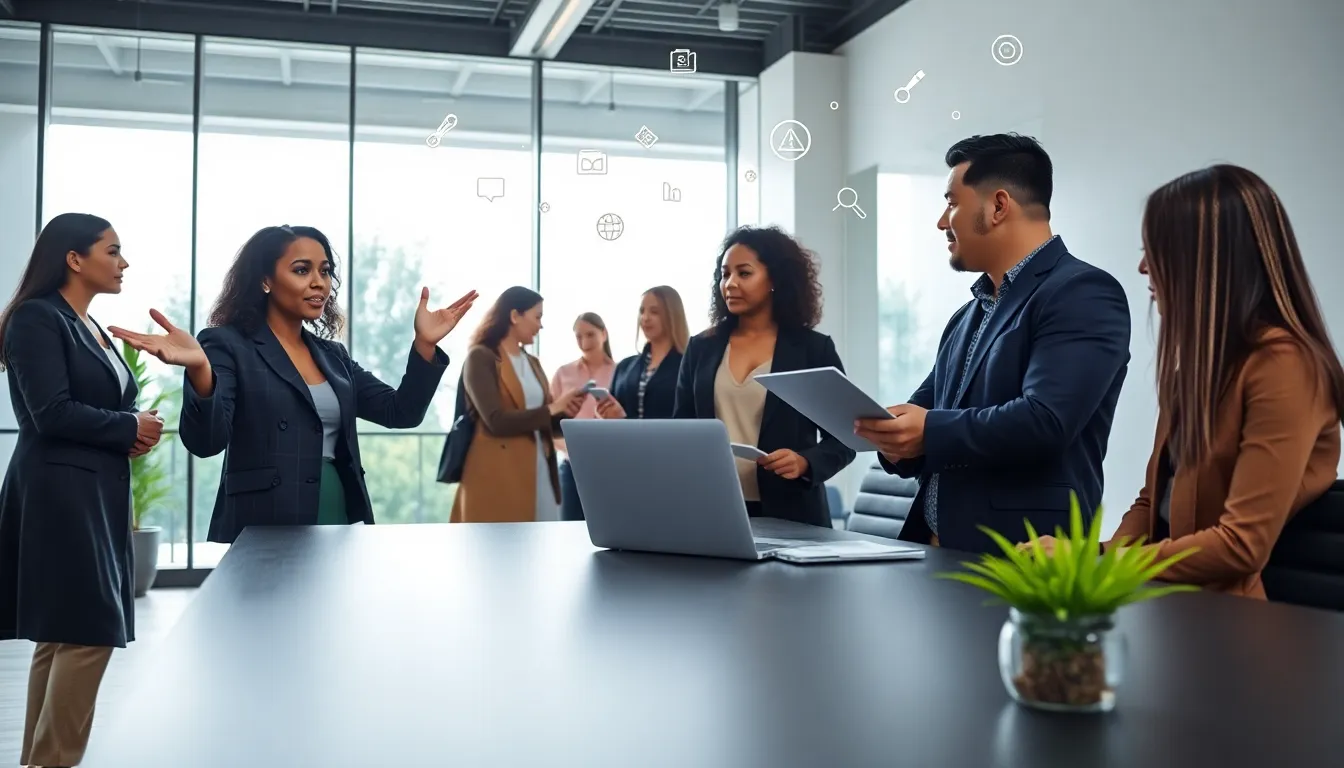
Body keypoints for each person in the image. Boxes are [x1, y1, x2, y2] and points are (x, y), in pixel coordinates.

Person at [1036, 165, 1344, 598]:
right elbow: (1152, 502)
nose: (1143, 267)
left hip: (1230, 618)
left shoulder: (1285, 366)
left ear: (1207, 261)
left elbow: (1241, 545)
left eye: (1156, 251)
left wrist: (1104, 563)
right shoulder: (1196, 369)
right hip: (1172, 604)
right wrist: (1092, 557)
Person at [110, 225, 475, 543]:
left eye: (325, 271)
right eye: (302, 270)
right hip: (265, 516)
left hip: (338, 508)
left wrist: (425, 346)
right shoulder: (227, 344)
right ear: (265, 281)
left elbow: (401, 412)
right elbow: (206, 443)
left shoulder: (333, 356)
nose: (319, 282)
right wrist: (201, 370)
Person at [855, 133, 1131, 553]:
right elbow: (929, 412)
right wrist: (895, 442)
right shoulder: (969, 314)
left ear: (999, 206)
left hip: (1021, 560)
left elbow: (1046, 420)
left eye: (952, 203)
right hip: (937, 553)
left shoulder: (1083, 292)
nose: (942, 221)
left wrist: (927, 431)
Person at [0, 213, 165, 768]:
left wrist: (134, 433)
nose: (123, 263)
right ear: (74, 259)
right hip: (60, 496)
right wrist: (127, 426)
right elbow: (50, 412)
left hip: (96, 493)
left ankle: (39, 763)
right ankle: (55, 762)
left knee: (63, 636)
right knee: (88, 631)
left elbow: (97, 410)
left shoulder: (89, 325)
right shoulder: (37, 318)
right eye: (112, 251)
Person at [672, 227, 856, 528]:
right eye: (725, 274)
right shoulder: (701, 348)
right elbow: (681, 430)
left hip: (793, 514)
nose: (730, 284)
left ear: (775, 279)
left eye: (744, 273)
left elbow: (846, 437)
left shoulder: (812, 349)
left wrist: (806, 462)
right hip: (713, 509)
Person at [451, 287, 585, 523]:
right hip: (498, 475)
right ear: (514, 316)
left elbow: (541, 421)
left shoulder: (532, 363)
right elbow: (495, 421)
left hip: (540, 471)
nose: (541, 325)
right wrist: (553, 408)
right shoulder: (480, 357)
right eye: (537, 316)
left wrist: (565, 412)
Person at [550, 312, 616, 521]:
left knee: (608, 524)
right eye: (578, 336)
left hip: (609, 466)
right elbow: (549, 422)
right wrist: (570, 449)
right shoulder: (563, 373)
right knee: (569, 526)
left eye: (590, 334)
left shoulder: (620, 371)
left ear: (604, 334)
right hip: (571, 466)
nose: (584, 341)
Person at [596, 285, 691, 422]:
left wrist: (624, 420)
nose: (645, 318)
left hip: (670, 437)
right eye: (642, 311)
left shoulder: (689, 367)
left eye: (654, 312)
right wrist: (606, 414)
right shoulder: (624, 367)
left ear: (672, 315)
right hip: (622, 437)